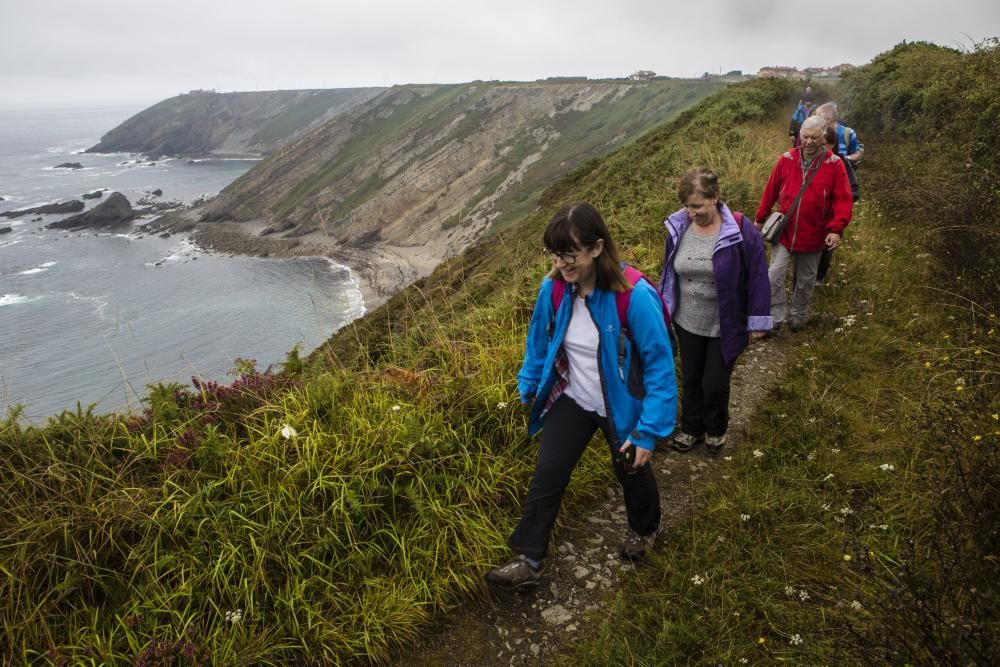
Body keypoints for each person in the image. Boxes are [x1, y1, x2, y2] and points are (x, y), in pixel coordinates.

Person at [485, 202, 677, 591]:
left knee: (631, 471)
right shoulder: (554, 288)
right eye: (555, 254)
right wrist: (530, 382)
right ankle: (528, 559)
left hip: (621, 406)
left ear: (596, 247)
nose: (561, 263)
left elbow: (659, 366)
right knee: (547, 477)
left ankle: (646, 528)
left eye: (569, 253)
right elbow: (540, 341)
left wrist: (648, 430)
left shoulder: (633, 296)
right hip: (573, 398)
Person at [658, 168, 772, 454]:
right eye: (686, 205)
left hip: (725, 322)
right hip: (687, 320)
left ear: (716, 197)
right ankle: (691, 429)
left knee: (715, 384)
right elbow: (669, 272)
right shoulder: (678, 227)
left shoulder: (740, 229)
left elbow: (758, 275)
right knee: (692, 378)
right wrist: (662, 308)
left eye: (697, 205)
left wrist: (757, 320)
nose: (691, 212)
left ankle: (716, 430)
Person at [755, 116, 853, 332]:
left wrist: (836, 229)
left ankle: (797, 314)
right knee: (774, 274)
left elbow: (843, 200)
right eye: (805, 137)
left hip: (814, 234)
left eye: (814, 137)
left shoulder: (835, 165)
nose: (809, 142)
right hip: (785, 232)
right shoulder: (786, 159)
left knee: (807, 279)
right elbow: (770, 190)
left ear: (824, 137)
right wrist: (760, 216)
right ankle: (777, 316)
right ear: (799, 136)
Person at [816, 124, 861, 283]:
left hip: (831, 219)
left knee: (825, 250)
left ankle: (818, 279)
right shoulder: (807, 159)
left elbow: (854, 191)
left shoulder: (841, 162)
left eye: (822, 144)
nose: (817, 147)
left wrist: (839, 204)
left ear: (832, 145)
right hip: (810, 220)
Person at [813, 102, 863, 167]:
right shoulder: (817, 133)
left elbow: (857, 154)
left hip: (843, 174)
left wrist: (845, 158)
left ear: (828, 119)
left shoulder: (848, 133)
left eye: (818, 118)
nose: (815, 120)